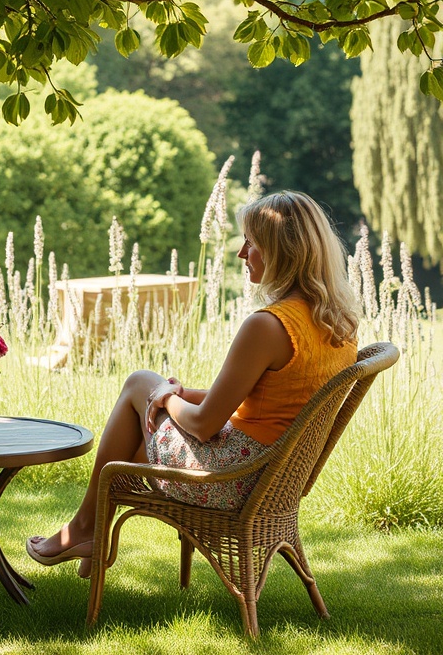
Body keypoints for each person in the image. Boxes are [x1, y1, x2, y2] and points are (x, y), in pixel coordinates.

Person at [26, 191, 361, 575]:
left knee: (140, 383)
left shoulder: (268, 325)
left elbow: (204, 424)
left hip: (229, 480)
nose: (241, 253)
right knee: (131, 446)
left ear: (280, 250)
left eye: (251, 242)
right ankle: (88, 531)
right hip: (271, 479)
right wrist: (180, 393)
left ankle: (86, 527)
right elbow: (269, 396)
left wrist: (164, 397)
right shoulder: (338, 324)